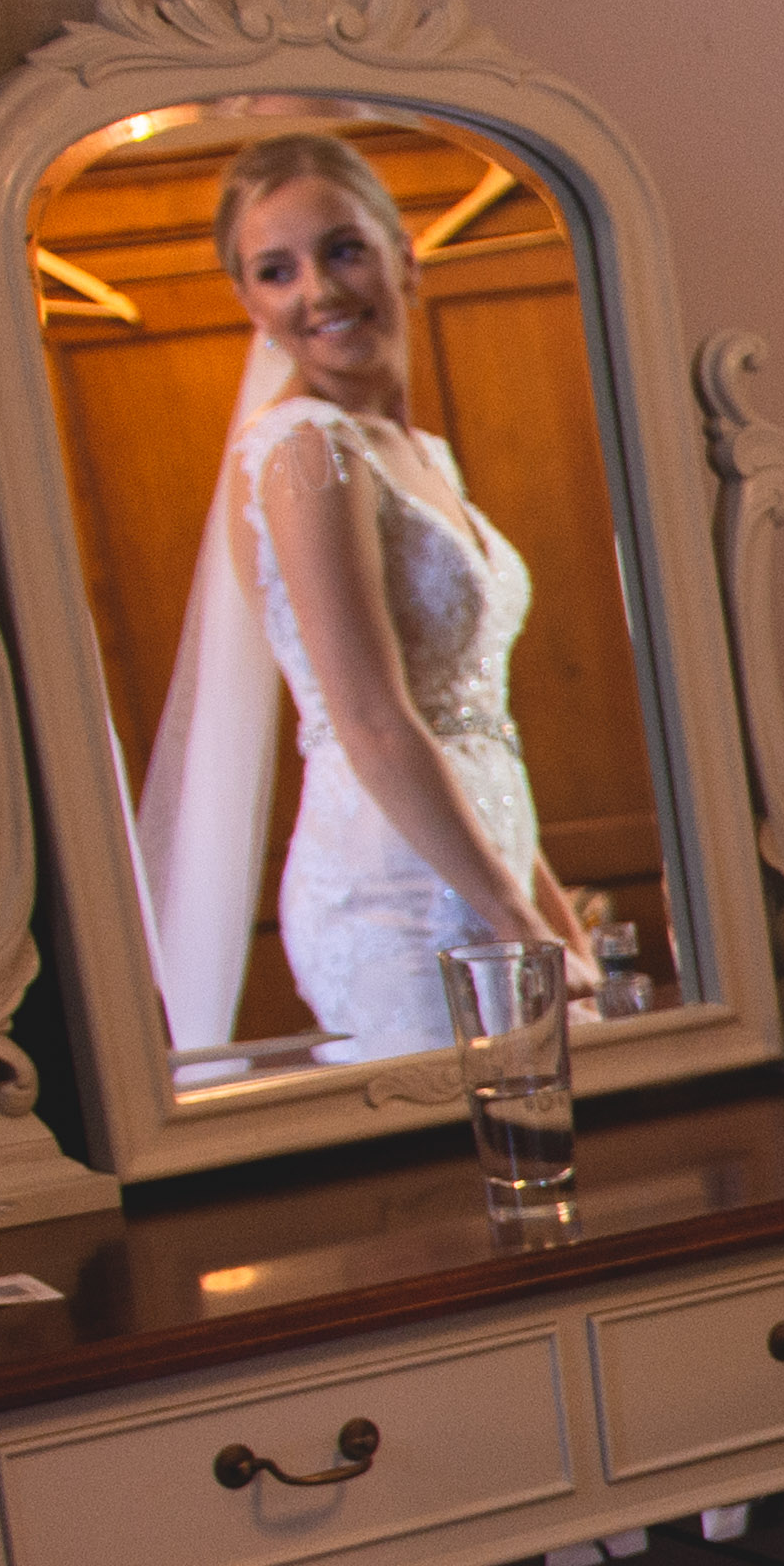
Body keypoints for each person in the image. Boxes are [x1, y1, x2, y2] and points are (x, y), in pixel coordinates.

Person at [138, 131, 588, 1062]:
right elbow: (373, 718)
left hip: (486, 867)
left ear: (403, 256)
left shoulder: (423, 457)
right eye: (277, 271)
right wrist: (517, 920)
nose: (318, 292)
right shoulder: (307, 450)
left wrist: (555, 921)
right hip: (395, 893)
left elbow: (477, 725)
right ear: (250, 304)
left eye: (343, 250)